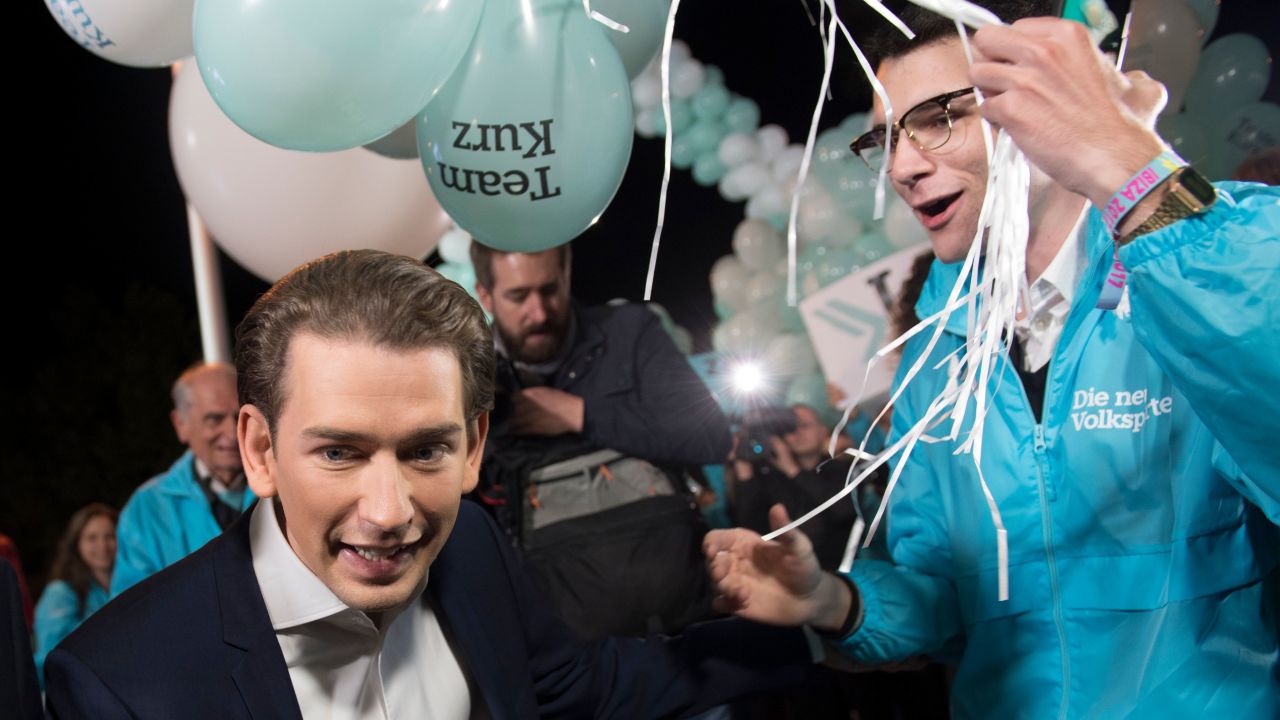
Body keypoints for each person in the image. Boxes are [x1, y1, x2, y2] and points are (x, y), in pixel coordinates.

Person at [705, 2, 1280, 717]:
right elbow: (947, 594)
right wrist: (830, 599)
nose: (904, 167)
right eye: (885, 138)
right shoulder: (933, 354)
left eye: (939, 117)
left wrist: (1131, 170)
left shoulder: (1204, 264)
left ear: (1037, 99)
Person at [45, 250, 814, 719]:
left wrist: (816, 625)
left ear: (475, 446)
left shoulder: (471, 546)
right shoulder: (121, 685)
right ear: (258, 450)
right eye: (340, 453)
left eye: (425, 452)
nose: (389, 514)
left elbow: (585, 687)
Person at [470, 242, 731, 639]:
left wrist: (580, 414)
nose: (538, 313)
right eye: (518, 296)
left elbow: (710, 437)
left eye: (551, 289)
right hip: (573, 652)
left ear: (567, 274)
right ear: (484, 295)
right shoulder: (470, 375)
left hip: (690, 633)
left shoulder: (629, 329)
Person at [110, 362, 254, 596]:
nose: (232, 432)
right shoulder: (147, 508)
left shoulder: (285, 489)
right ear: (181, 424)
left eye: (240, 416)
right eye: (214, 419)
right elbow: (132, 610)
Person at [33, 503, 116, 686]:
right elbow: (52, 655)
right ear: (76, 543)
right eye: (92, 538)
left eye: (110, 536)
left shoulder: (126, 587)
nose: (102, 545)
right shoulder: (60, 593)